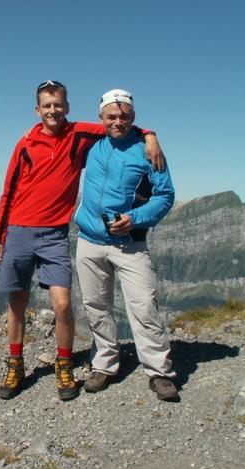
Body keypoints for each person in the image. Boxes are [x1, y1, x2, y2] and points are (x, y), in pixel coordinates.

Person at [0, 81, 165, 401]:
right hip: (18, 230)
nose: (53, 110)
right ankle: (15, 363)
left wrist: (150, 135)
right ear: (38, 110)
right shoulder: (26, 144)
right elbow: (9, 189)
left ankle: (64, 363)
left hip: (55, 233)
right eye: (47, 105)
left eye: (58, 104)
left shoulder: (81, 134)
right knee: (17, 303)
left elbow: (118, 125)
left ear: (67, 107)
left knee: (62, 304)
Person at [74, 88, 179, 402]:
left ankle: (160, 372)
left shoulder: (148, 152)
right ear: (101, 119)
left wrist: (134, 219)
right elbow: (61, 128)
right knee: (96, 306)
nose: (118, 121)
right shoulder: (91, 145)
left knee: (144, 307)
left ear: (133, 117)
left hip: (130, 243)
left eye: (125, 116)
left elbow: (165, 196)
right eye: (112, 116)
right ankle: (105, 363)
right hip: (89, 241)